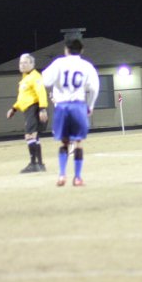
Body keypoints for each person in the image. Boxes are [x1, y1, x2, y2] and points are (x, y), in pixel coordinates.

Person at [41, 38, 100, 187]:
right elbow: (94, 88)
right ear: (82, 50)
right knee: (78, 142)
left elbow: (45, 81)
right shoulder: (86, 66)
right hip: (78, 105)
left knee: (64, 142)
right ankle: (78, 177)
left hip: (62, 106)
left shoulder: (59, 63)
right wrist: (90, 105)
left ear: (66, 50)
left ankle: (62, 175)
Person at [6, 54, 49, 173]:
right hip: (30, 109)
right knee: (34, 136)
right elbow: (23, 99)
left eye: (25, 62)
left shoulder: (35, 77)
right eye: (21, 63)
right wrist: (14, 109)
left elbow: (41, 92)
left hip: (34, 108)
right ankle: (40, 164)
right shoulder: (25, 78)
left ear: (32, 64)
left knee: (29, 136)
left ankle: (33, 164)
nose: (22, 65)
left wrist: (42, 108)